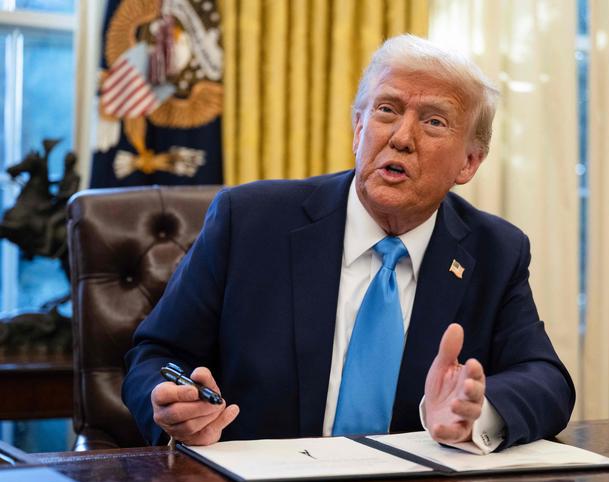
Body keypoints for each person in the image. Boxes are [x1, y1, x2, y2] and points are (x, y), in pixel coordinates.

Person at [122, 34, 575, 453]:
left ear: (470, 162)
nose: (401, 137)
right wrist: (171, 406)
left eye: (434, 121)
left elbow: (547, 380)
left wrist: (475, 413)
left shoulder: (495, 250)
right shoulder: (249, 221)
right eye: (386, 110)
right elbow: (156, 355)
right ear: (358, 129)